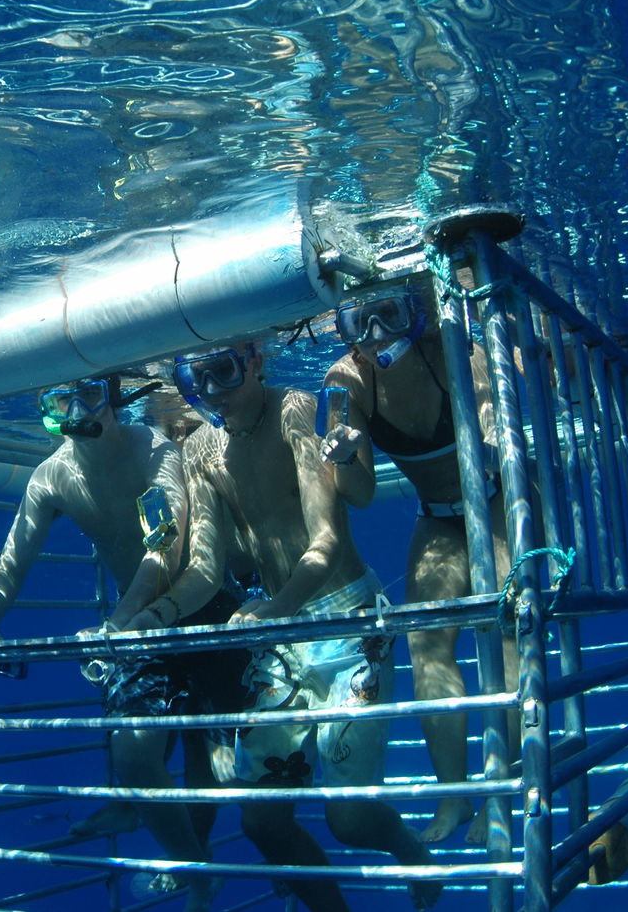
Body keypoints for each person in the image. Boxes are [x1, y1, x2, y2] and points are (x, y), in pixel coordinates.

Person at [174, 342, 440, 912]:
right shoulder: (198, 448)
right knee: (261, 821)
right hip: (281, 636)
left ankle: (407, 846)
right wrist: (147, 618)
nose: (212, 391)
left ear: (255, 362)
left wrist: (277, 608)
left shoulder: (294, 407)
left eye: (223, 370)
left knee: (350, 821)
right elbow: (204, 568)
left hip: (347, 625)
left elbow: (327, 540)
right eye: (197, 378)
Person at [0, 373, 240, 912]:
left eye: (89, 395)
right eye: (58, 399)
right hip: (131, 625)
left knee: (206, 760)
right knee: (134, 758)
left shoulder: (153, 450)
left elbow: (164, 544)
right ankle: (198, 874)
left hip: (199, 607)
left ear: (113, 398)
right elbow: (12, 558)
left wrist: (119, 623)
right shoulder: (50, 477)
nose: (75, 411)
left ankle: (189, 859)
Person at [319, 278, 515, 845]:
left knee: (506, 633)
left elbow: (495, 429)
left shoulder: (455, 347)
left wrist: (493, 423)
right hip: (436, 517)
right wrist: (347, 456)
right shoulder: (345, 381)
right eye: (360, 321)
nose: (376, 332)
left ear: (416, 311)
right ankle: (454, 798)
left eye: (389, 313)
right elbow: (358, 494)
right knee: (426, 646)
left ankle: (502, 790)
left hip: (499, 503)